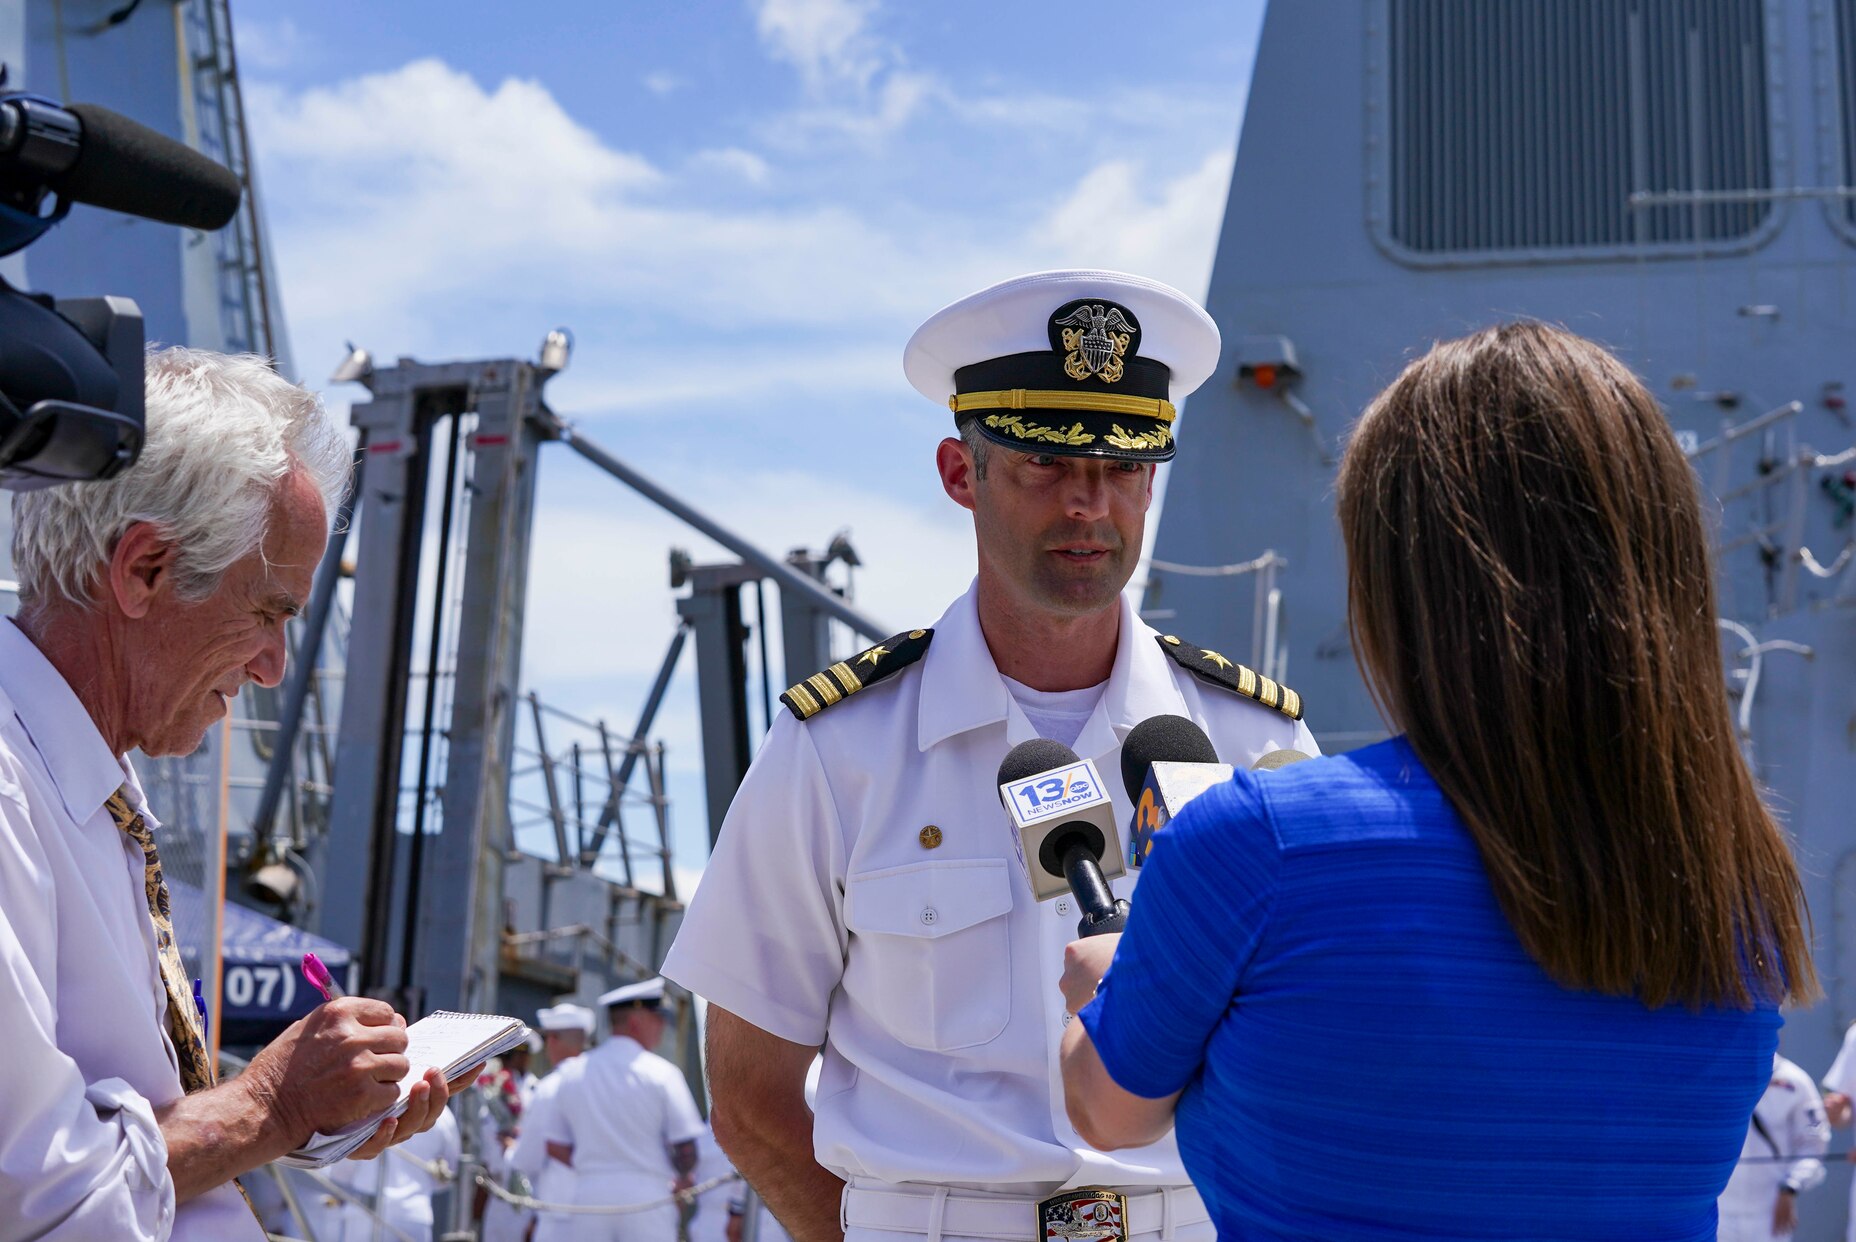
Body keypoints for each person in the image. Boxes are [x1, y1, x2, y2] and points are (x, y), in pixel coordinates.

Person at [1058, 322, 1819, 1240]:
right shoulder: (1744, 888)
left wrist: (1111, 977)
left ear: (1401, 578)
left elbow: (1111, 1112)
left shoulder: (1256, 842)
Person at [664, 270, 1316, 1242]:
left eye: (1123, 467)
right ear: (959, 474)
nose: (1089, 504)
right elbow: (751, 1097)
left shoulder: (1256, 746)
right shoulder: (837, 751)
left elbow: (1317, 1049)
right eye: (1047, 462)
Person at [0, 347, 461, 1240]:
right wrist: (271, 1105)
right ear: (145, 570)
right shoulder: (14, 793)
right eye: (269, 612)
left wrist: (307, 1115)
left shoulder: (77, 787)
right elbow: (39, 1196)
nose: (275, 667)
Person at [537, 978, 705, 1242]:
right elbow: (686, 1149)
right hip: (648, 1197)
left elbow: (555, 1144)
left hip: (589, 1196)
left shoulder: (572, 1073)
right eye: (657, 1017)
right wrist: (682, 1179)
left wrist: (595, 1165)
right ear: (636, 1022)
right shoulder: (662, 1074)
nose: (662, 1025)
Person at [1717, 1055, 1828, 1241]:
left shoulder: (1796, 1081)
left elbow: (1813, 1146)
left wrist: (1791, 1186)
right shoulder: (1713, 1077)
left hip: (1769, 1217)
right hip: (1718, 1212)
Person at [314, 1103, 462, 1242]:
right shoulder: (440, 1111)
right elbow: (450, 1173)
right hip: (414, 1215)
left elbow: (341, 1172)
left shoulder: (364, 1103)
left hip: (362, 1216)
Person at [510, 1002, 596, 1242]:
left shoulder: (550, 1088)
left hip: (560, 1213)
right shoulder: (603, 1084)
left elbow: (527, 1158)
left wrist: (510, 1148)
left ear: (554, 1040)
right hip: (601, 1210)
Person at [475, 1031, 542, 1242]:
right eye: (512, 1055)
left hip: (526, 1187)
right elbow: (486, 1134)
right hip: (496, 1186)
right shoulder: (493, 1087)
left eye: (522, 1055)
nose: (516, 1060)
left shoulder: (537, 1090)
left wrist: (514, 1143)